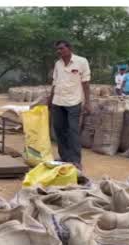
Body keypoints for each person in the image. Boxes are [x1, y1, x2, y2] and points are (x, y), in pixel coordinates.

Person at [48, 40, 91, 169]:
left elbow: (86, 83)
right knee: (59, 130)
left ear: (69, 48)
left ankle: (76, 160)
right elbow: (55, 82)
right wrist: (50, 99)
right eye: (57, 49)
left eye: (61, 48)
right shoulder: (58, 64)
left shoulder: (81, 62)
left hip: (74, 102)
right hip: (58, 101)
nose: (59, 51)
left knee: (73, 131)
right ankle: (64, 157)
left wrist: (88, 102)